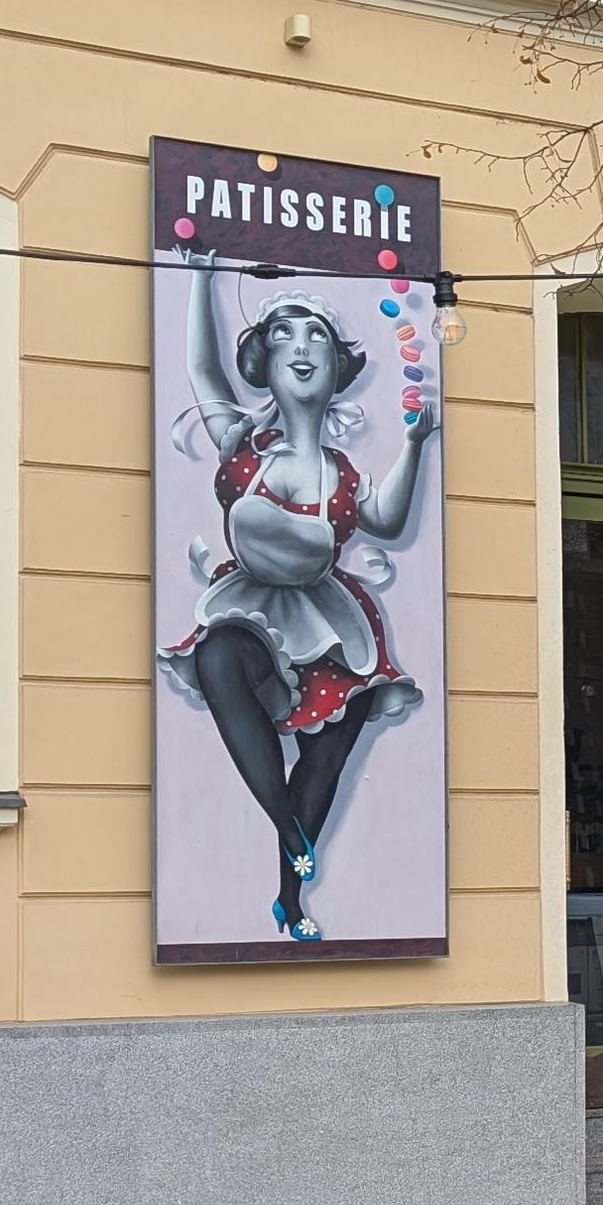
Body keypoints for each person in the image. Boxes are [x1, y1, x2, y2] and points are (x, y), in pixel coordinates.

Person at [159, 255, 435, 944]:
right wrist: (199, 280)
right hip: (254, 600)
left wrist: (414, 441)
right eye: (285, 335)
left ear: (338, 367)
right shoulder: (243, 440)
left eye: (316, 336)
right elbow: (201, 372)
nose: (303, 347)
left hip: (330, 615)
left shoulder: (344, 471)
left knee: (330, 750)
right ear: (263, 360)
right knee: (221, 657)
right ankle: (288, 828)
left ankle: (290, 894)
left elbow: (392, 519)